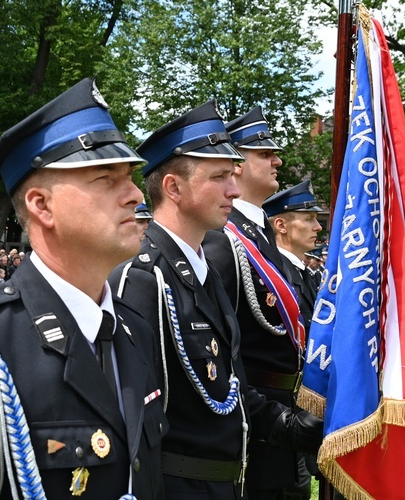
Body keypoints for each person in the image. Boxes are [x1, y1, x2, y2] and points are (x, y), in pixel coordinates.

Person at [0, 78, 167, 499]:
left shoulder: (134, 331)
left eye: (129, 177)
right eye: (106, 178)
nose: (134, 194)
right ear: (42, 205)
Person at [111, 101, 321, 500]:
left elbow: (229, 384)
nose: (235, 189)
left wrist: (288, 426)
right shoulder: (143, 277)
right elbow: (135, 422)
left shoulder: (202, 269)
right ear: (173, 187)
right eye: (220, 177)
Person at [202, 107, 318, 499]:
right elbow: (220, 348)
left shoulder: (257, 234)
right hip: (258, 422)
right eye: (264, 153)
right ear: (234, 165)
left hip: (283, 414)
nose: (277, 160)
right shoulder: (223, 239)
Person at [263, 180, 324, 334]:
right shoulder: (272, 273)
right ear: (281, 226)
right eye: (309, 219)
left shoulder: (302, 273)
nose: (318, 227)